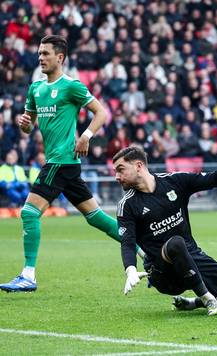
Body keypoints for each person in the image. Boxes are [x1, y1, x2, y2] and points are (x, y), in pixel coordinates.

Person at [0, 35, 143, 293]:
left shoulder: (71, 86)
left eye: (46, 53)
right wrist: (25, 125)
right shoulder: (35, 89)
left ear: (60, 57)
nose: (40, 57)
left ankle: (28, 275)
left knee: (29, 212)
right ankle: (143, 252)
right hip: (64, 164)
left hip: (60, 161)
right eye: (39, 53)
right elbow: (29, 124)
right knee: (96, 217)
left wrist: (86, 135)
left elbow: (101, 112)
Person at [113, 146, 217, 316]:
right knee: (175, 243)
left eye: (121, 170)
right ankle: (209, 300)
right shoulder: (127, 205)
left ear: (139, 166)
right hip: (163, 273)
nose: (117, 177)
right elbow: (127, 242)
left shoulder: (174, 181)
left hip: (193, 258)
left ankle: (194, 302)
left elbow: (211, 180)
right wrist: (130, 269)